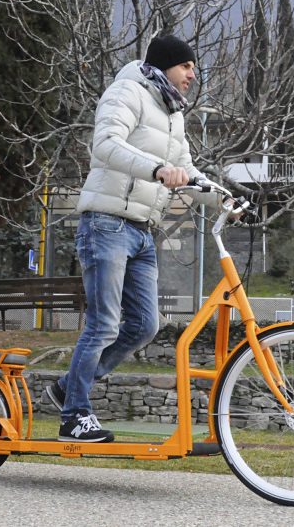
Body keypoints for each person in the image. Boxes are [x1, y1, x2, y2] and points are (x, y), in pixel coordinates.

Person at [45, 35, 222, 442]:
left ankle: (66, 386)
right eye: (187, 66)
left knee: (145, 325)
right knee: (104, 324)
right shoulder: (127, 91)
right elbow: (106, 145)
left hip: (143, 229)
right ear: (165, 65)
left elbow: (188, 172)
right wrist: (157, 169)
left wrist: (225, 198)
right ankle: (74, 415)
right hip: (106, 223)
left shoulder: (174, 114)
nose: (193, 74)